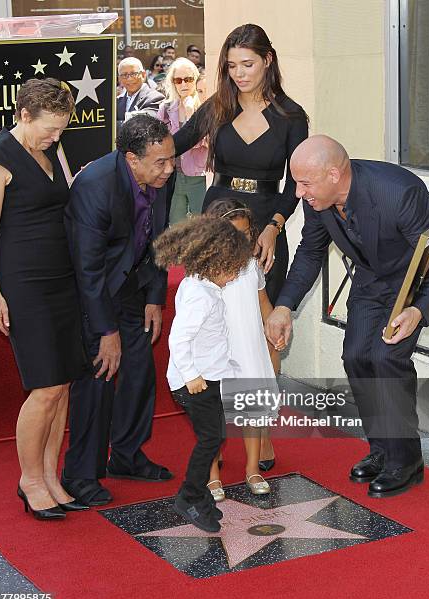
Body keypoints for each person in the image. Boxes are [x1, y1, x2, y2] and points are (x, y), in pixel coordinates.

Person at [266, 135, 429, 498]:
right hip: (372, 280)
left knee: (387, 358)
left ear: (334, 174)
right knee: (356, 356)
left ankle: (406, 460)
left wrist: (417, 309)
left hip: (414, 279)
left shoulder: (397, 191)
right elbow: (310, 251)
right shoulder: (318, 200)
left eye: (305, 183)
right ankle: (383, 449)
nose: (298, 193)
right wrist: (284, 306)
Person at [174, 23, 308, 466]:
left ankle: (261, 432)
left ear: (268, 60)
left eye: (247, 64)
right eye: (231, 66)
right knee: (218, 325)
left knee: (267, 330)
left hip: (268, 221)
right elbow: (174, 145)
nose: (239, 74)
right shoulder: (217, 107)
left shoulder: (292, 116)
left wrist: (273, 225)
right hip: (219, 221)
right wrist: (124, 154)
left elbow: (296, 183)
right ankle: (215, 433)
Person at [0, 78, 88, 520]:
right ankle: (29, 480)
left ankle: (50, 474)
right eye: (49, 129)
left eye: (61, 129)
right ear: (24, 115)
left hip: (62, 279)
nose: (55, 137)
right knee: (45, 386)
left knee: (63, 383)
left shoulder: (51, 150)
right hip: (24, 284)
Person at [61, 115, 176, 506]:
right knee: (98, 377)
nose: (169, 169)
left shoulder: (160, 176)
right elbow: (88, 269)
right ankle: (80, 474)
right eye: (160, 162)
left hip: (135, 286)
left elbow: (161, 239)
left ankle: (126, 456)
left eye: (171, 159)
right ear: (131, 158)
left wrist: (155, 297)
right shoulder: (96, 186)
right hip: (94, 292)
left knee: (139, 370)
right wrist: (106, 331)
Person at [154, 216, 252, 532]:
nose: (236, 275)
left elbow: (211, 339)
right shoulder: (200, 295)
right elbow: (178, 339)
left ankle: (199, 497)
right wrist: (193, 375)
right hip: (193, 382)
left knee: (214, 437)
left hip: (207, 378)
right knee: (212, 438)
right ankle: (190, 497)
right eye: (233, 268)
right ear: (215, 263)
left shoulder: (201, 286)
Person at [205, 199, 284, 501]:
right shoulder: (203, 270)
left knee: (253, 412)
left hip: (250, 347)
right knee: (213, 415)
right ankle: (212, 476)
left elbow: (264, 306)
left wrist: (275, 328)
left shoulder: (252, 267)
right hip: (218, 351)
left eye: (246, 233)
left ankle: (253, 469)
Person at [158, 58, 207, 224]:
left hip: (198, 176)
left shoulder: (204, 107)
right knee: (176, 226)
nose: (184, 84)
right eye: (178, 80)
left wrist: (188, 116)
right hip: (173, 175)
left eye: (189, 79)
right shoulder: (166, 108)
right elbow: (161, 141)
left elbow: (206, 141)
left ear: (195, 79)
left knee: (201, 226)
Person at [116, 58, 165, 131]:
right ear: (119, 78)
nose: (129, 79)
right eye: (124, 75)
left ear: (143, 75)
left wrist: (113, 124)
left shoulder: (155, 98)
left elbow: (141, 125)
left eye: (133, 74)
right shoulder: (117, 101)